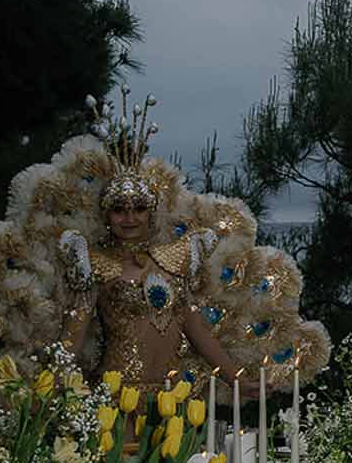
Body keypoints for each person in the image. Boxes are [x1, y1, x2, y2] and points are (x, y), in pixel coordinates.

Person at [59, 157, 240, 387]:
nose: (130, 218)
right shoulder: (95, 265)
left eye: (139, 209)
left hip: (172, 399)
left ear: (151, 213)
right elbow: (73, 334)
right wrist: (47, 388)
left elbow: (198, 331)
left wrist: (237, 380)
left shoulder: (173, 262)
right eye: (119, 210)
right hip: (116, 401)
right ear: (106, 215)